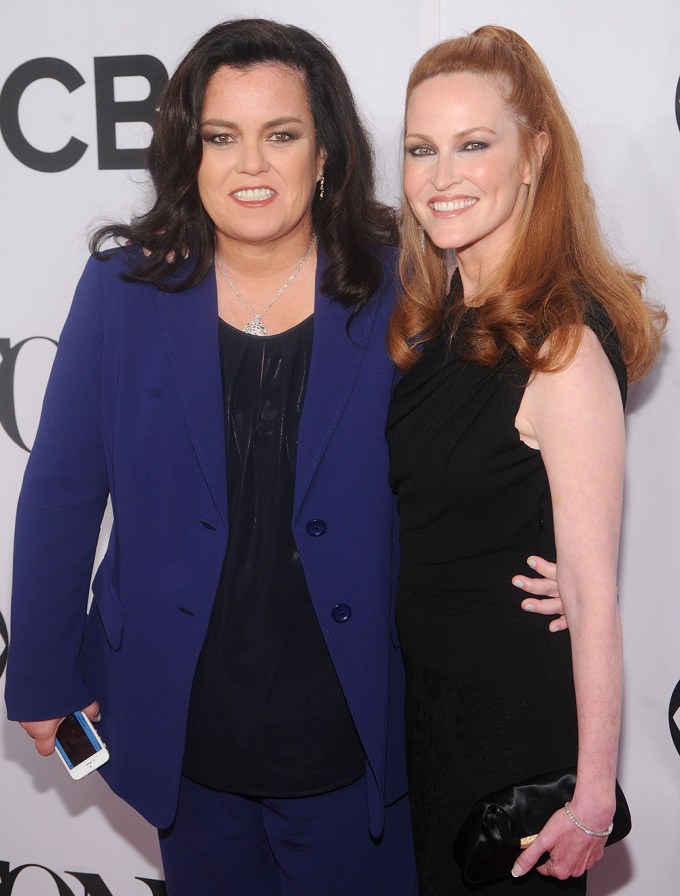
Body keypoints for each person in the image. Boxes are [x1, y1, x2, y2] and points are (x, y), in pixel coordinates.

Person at [5, 18, 563, 896]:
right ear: (189, 153)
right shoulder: (124, 289)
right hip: (184, 730)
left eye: (282, 135)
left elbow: (494, 441)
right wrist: (39, 667)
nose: (251, 166)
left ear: (327, 154)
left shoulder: (409, 282)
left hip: (358, 735)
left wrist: (563, 565)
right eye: (222, 137)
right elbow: (63, 489)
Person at [386, 25, 665, 896]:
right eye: (421, 149)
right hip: (422, 716)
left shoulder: (563, 345)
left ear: (534, 154)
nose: (443, 175)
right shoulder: (436, 328)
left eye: (475, 144)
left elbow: (588, 590)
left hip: (508, 738)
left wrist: (589, 799)